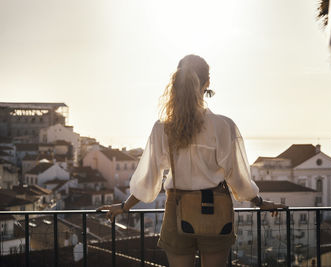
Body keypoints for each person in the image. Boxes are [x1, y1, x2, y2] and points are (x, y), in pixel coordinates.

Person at [96, 54, 288, 267]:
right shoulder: (224, 127)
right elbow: (238, 179)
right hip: (215, 209)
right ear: (207, 83)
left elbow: (149, 179)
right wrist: (259, 202)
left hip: (176, 209)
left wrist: (125, 206)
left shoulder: (162, 128)